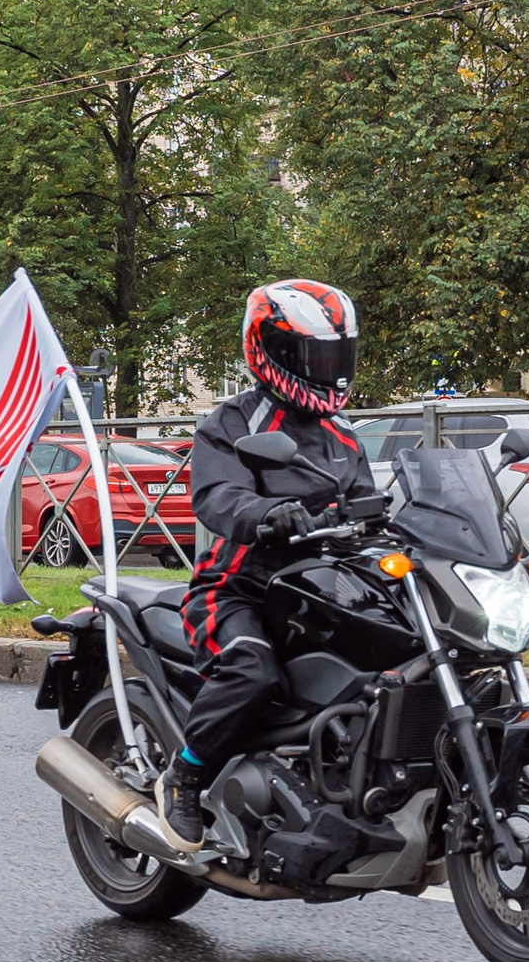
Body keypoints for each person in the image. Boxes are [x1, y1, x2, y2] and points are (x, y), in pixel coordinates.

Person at [160, 279, 374, 848]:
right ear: (272, 351)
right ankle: (186, 776)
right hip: (239, 587)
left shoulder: (345, 436)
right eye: (315, 356)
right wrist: (267, 513)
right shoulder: (233, 423)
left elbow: (373, 504)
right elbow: (216, 495)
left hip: (323, 588)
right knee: (252, 668)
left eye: (336, 355)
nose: (329, 369)